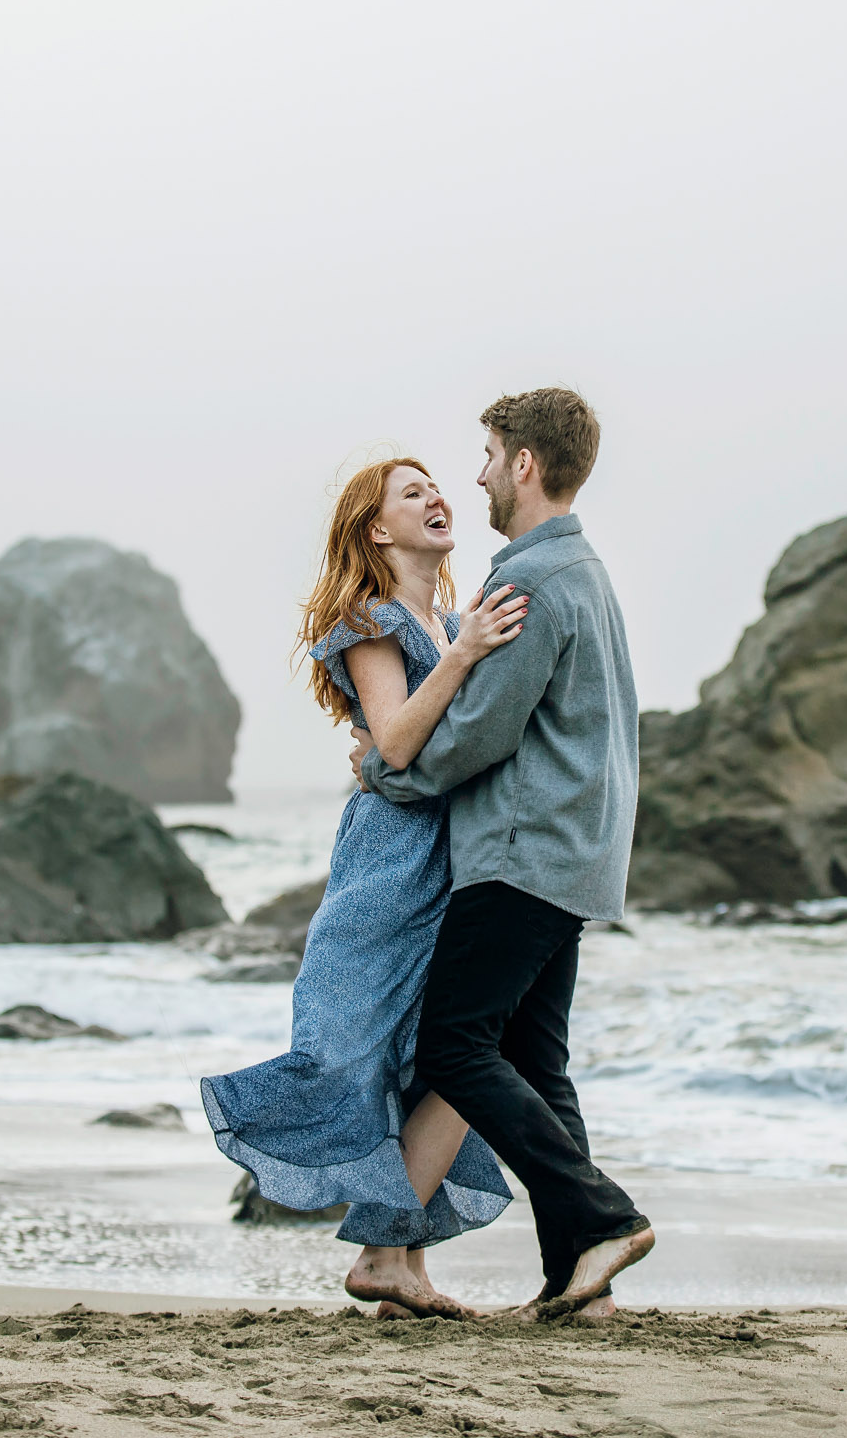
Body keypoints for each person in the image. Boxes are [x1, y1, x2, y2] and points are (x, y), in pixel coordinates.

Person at [201, 455, 530, 1320]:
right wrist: (461, 654)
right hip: (392, 857)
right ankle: (387, 1258)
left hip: (459, 855)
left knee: (445, 1055)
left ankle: (400, 1268)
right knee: (366, 1045)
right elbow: (392, 744)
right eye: (410, 493)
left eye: (436, 486)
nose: (436, 498)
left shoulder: (453, 617)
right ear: (377, 530)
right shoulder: (373, 620)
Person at [351, 388, 653, 1321]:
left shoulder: (530, 581)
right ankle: (579, 1276)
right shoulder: (587, 573)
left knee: (455, 1042)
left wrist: (383, 772)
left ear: (525, 464)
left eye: (486, 455)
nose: (476, 473)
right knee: (536, 1059)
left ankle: (603, 1218)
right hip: (578, 854)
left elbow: (480, 728)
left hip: (522, 853)